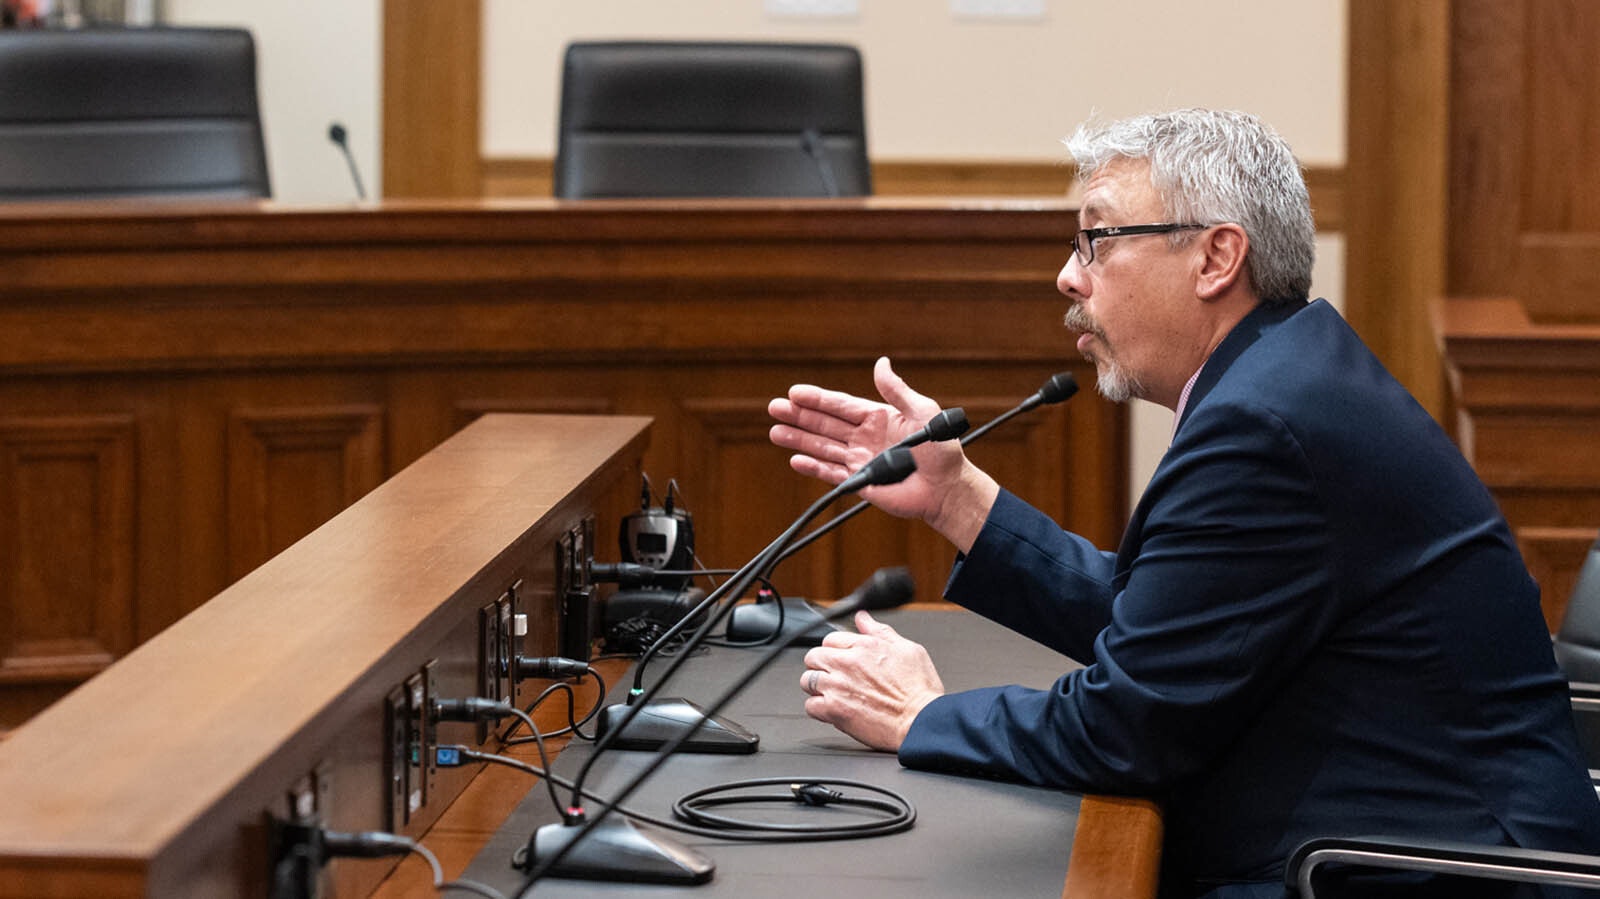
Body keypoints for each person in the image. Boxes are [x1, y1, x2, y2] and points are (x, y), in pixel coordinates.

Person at [768, 108, 1600, 897]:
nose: (1068, 275)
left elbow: (1123, 731)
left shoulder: (1263, 423)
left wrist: (924, 715)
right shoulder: (1284, 373)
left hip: (1424, 870)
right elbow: (1171, 627)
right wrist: (957, 497)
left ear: (1215, 257)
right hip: (1393, 837)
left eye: (1097, 239)